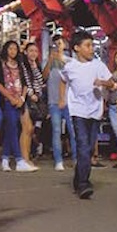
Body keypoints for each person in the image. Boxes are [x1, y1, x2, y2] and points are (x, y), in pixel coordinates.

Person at [59, 29, 115, 199]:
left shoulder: (98, 65)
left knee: (89, 148)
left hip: (95, 111)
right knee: (82, 146)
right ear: (77, 48)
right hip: (77, 111)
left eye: (92, 45)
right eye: (88, 45)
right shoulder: (70, 67)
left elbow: (111, 83)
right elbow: (63, 80)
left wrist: (103, 82)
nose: (91, 49)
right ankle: (84, 184)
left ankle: (78, 179)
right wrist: (62, 98)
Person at [0, 39, 38, 172]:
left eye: (15, 49)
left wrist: (22, 98)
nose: (13, 51)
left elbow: (25, 83)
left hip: (20, 101)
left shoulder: (20, 65)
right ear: (6, 50)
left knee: (11, 128)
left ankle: (5, 159)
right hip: (8, 101)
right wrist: (10, 97)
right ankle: (19, 160)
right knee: (12, 126)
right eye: (10, 49)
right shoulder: (0, 64)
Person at [43, 33, 77, 171]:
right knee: (56, 131)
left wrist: (61, 57)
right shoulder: (48, 59)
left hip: (69, 101)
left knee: (73, 131)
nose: (58, 46)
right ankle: (58, 160)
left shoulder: (69, 60)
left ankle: (76, 159)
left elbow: (71, 76)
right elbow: (44, 76)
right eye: (55, 43)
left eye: (60, 43)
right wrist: (51, 60)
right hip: (54, 101)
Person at [21, 40, 47, 163]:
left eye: (36, 51)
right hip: (28, 99)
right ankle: (26, 154)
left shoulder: (37, 65)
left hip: (38, 99)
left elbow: (41, 82)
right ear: (25, 52)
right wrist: (31, 95)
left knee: (34, 129)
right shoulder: (23, 66)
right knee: (28, 128)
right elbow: (25, 81)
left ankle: (32, 150)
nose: (33, 53)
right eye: (31, 51)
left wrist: (35, 67)